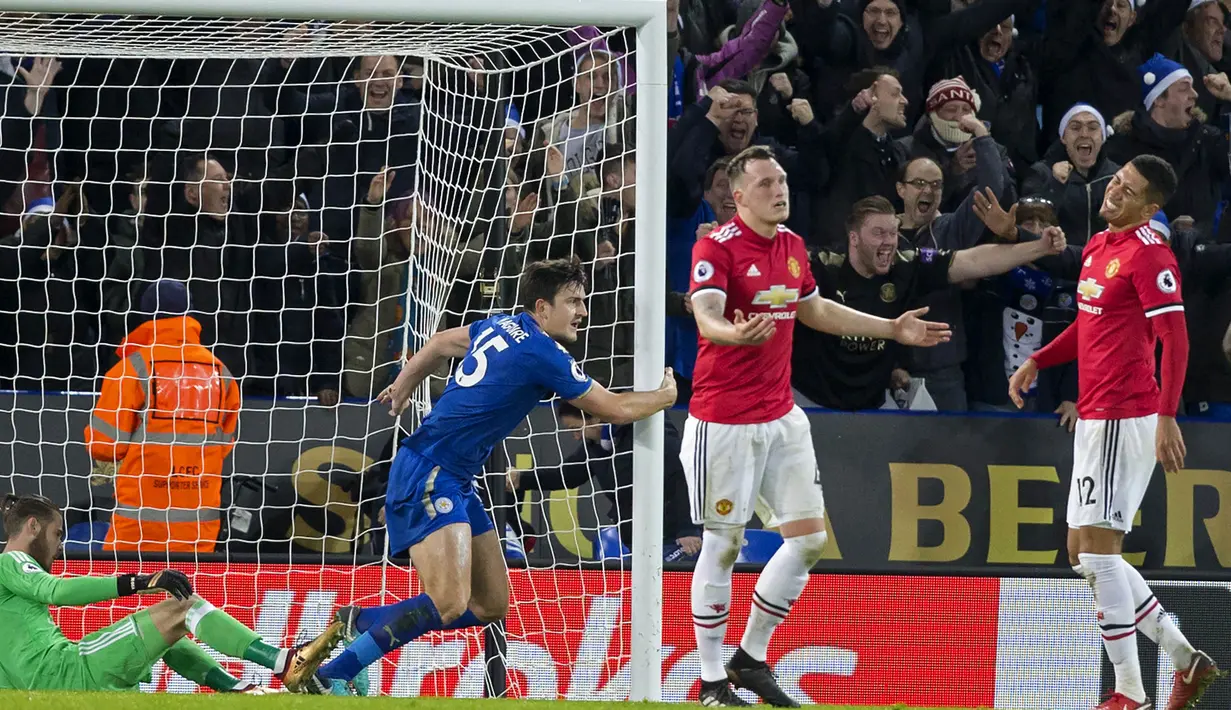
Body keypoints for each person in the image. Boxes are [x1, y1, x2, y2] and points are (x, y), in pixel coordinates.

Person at [305, 258, 677, 694]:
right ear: (542, 307)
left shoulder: (502, 325)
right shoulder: (543, 352)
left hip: (457, 478)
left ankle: (361, 621)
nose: (582, 311)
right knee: (447, 602)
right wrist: (665, 395)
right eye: (573, 301)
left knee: (490, 604)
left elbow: (442, 341)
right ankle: (332, 673)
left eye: (584, 300)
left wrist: (406, 381)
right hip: (431, 470)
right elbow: (613, 408)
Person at [684, 145, 950, 707]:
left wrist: (890, 329)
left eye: (781, 179)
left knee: (808, 542)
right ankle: (709, 682)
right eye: (764, 183)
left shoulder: (792, 246)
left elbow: (814, 309)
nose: (779, 190)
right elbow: (704, 309)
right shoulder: (716, 246)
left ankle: (749, 659)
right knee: (724, 544)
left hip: (782, 416)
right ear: (738, 197)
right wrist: (731, 334)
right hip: (724, 421)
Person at [1008, 155, 1225, 710]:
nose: (1113, 193)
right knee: (1083, 553)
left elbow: (1174, 338)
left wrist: (1167, 416)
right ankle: (1186, 661)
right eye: (1115, 183)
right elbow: (1090, 323)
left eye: (1128, 192)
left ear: (1150, 208)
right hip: (1095, 415)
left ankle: (1130, 693)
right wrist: (1039, 360)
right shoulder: (1101, 246)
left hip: (1125, 416)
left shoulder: (1152, 254)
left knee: (1101, 555)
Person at [0, 494, 338, 693]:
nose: (59, 546)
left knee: (166, 632)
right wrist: (138, 581)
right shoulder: (9, 561)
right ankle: (285, 662)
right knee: (181, 607)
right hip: (70, 671)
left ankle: (243, 691)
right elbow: (55, 590)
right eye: (57, 534)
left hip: (52, 685)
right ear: (33, 527)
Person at [792, 195, 1066, 411]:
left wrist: (1039, 248)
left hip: (872, 403)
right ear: (853, 238)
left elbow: (972, 261)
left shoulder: (907, 262)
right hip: (812, 400)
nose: (889, 242)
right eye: (878, 233)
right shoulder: (821, 265)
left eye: (893, 232)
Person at [84, 279, 241, 553]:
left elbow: (105, 445)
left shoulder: (131, 369)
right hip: (199, 527)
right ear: (190, 314)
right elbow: (224, 444)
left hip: (139, 525)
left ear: (146, 316)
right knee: (189, 595)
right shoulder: (221, 373)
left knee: (128, 595)